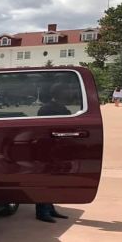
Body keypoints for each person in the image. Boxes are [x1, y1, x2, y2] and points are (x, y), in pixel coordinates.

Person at [35, 84, 72, 223]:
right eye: (66, 92)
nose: (69, 95)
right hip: (47, 149)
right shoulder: (46, 109)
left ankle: (50, 208)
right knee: (45, 180)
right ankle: (41, 211)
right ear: (59, 94)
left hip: (58, 149)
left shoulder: (63, 108)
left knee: (54, 181)